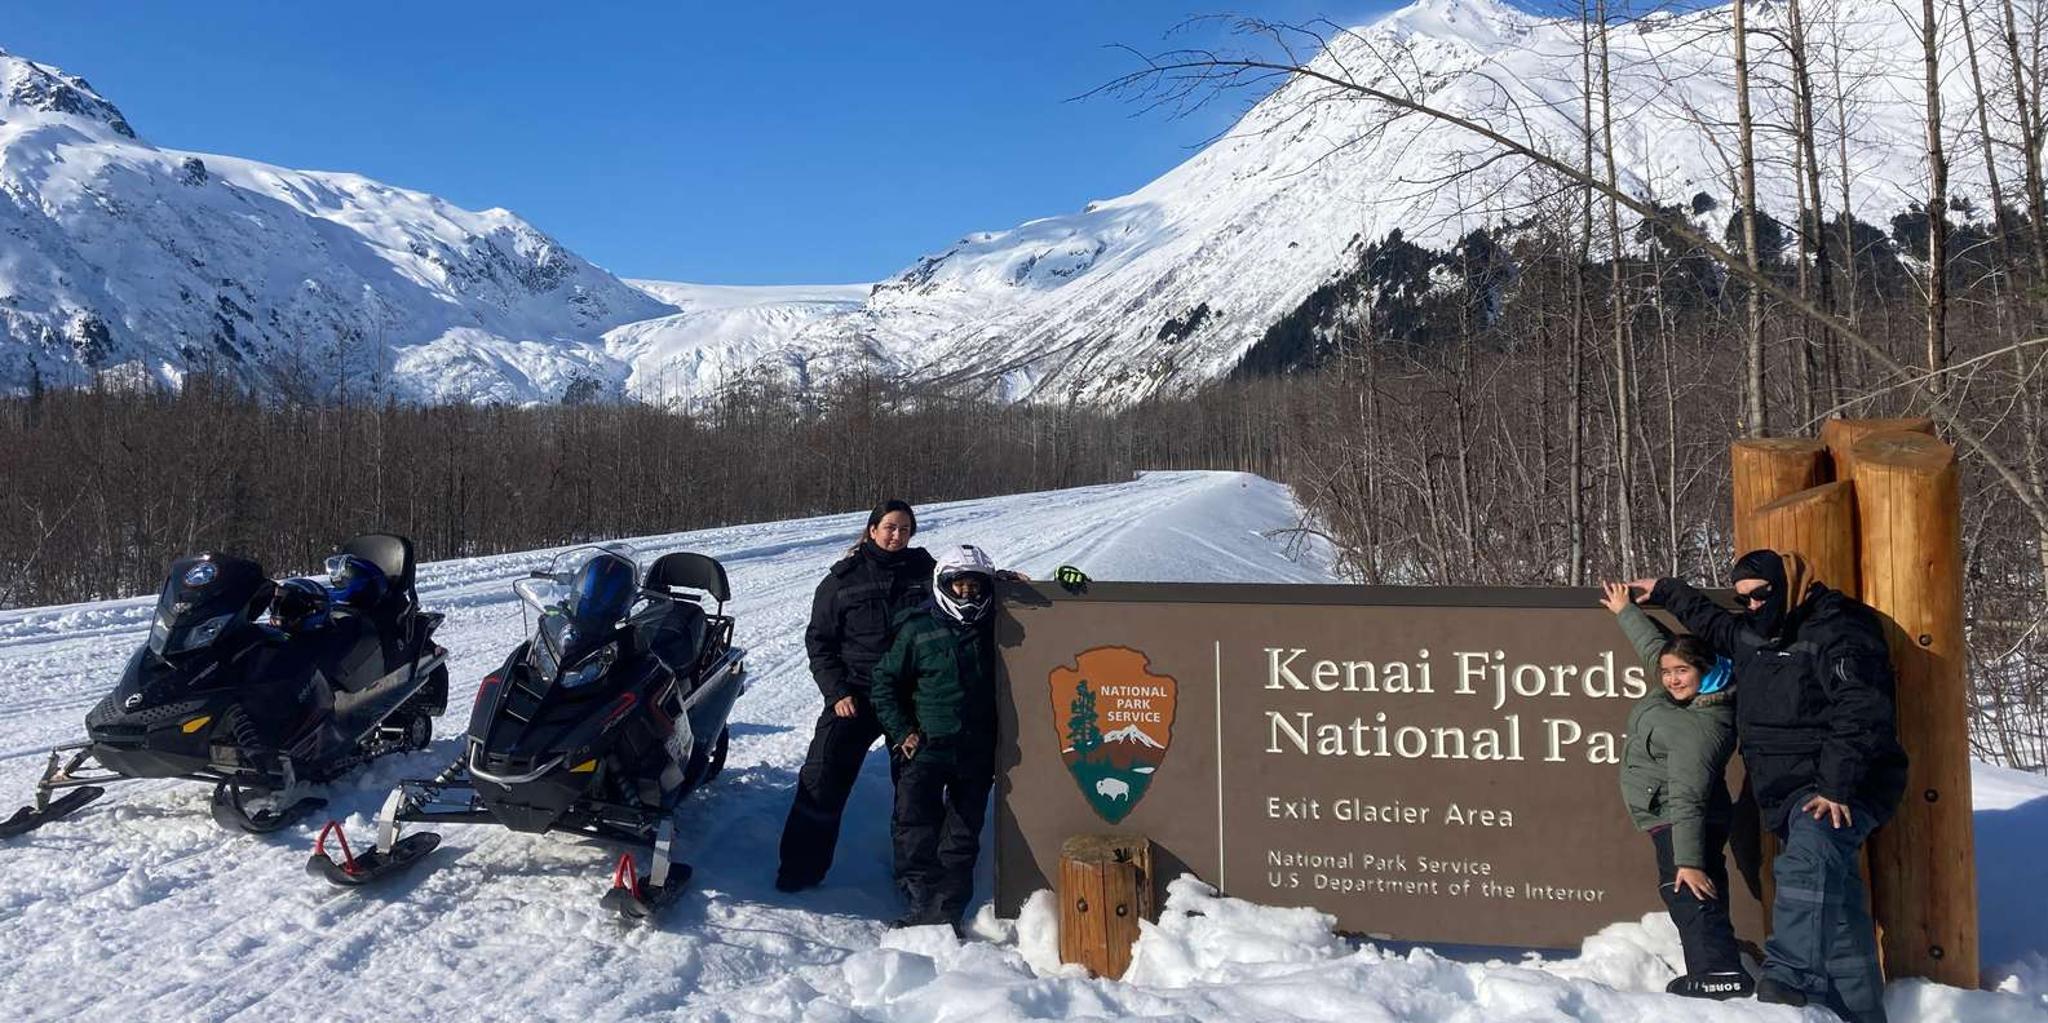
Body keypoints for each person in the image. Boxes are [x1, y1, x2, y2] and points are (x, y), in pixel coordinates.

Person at [1630, 551, 1909, 1023]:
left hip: (1839, 783)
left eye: (1762, 593)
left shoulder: (1838, 629)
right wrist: (1663, 590)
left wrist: (1836, 787)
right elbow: (1709, 620)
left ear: (1790, 584)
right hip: (1783, 788)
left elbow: (1861, 709)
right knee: (1836, 903)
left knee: (1808, 861)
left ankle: (1790, 975)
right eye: (1745, 599)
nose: (1754, 605)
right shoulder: (1752, 633)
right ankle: (1860, 1012)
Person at [1600, 582, 1750, 1001]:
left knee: (1686, 889)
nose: (1671, 679)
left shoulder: (1699, 728)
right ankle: (1722, 968)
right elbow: (1657, 650)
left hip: (1681, 815)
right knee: (1700, 891)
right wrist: (1625, 610)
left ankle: (1717, 975)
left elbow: (1687, 796)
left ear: (1703, 670)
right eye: (1667, 673)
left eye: (1681, 672)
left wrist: (1688, 861)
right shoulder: (1697, 686)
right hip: (1686, 811)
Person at [776, 500, 936, 892]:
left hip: (908, 697)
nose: (897, 536)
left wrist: (1006, 581)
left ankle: (917, 881)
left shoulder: (925, 571)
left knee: (918, 787)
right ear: (871, 530)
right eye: (889, 528)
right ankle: (800, 870)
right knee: (821, 775)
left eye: (904, 529)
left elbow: (967, 584)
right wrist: (836, 692)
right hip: (857, 696)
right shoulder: (842, 581)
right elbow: (819, 642)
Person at [869, 544, 1003, 934]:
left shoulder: (999, 622)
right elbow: (884, 683)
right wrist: (902, 731)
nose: (967, 594)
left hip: (976, 748)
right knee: (915, 825)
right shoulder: (917, 628)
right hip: (926, 745)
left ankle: (945, 914)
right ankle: (918, 899)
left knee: (962, 834)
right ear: (943, 585)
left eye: (975, 588)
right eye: (958, 586)